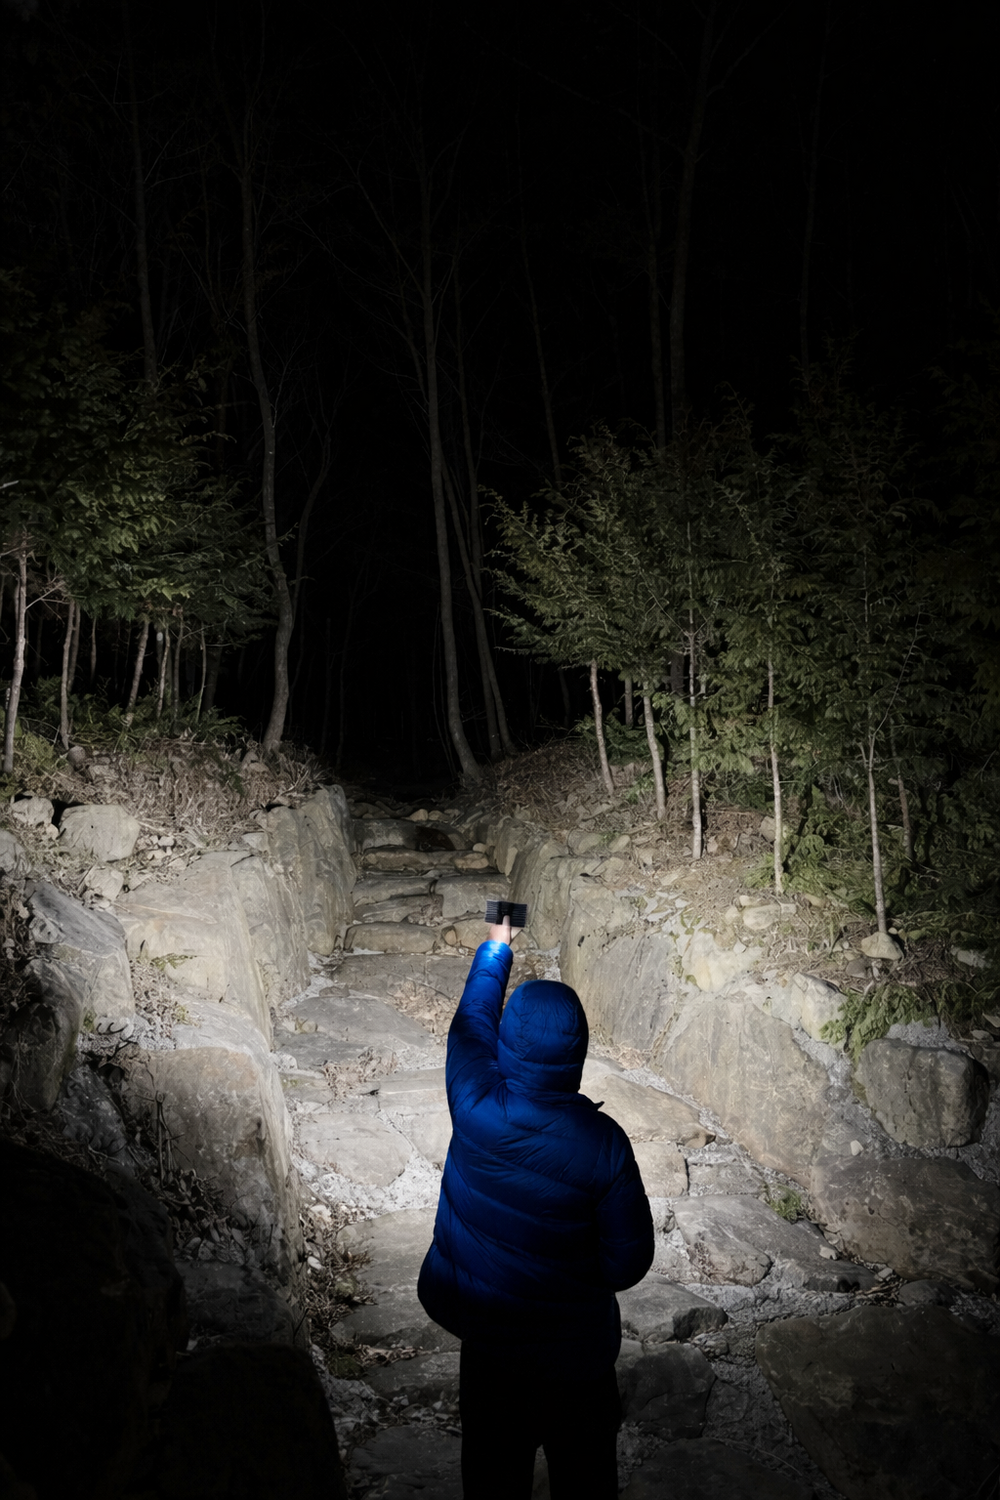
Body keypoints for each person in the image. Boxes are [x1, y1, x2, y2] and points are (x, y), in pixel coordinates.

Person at [418, 915, 654, 1499]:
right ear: (577, 1050)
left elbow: (471, 1021)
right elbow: (628, 1263)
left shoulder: (473, 1100)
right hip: (578, 1359)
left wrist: (496, 950)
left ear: (508, 1043)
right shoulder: (604, 1144)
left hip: (491, 1352)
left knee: (493, 1482)